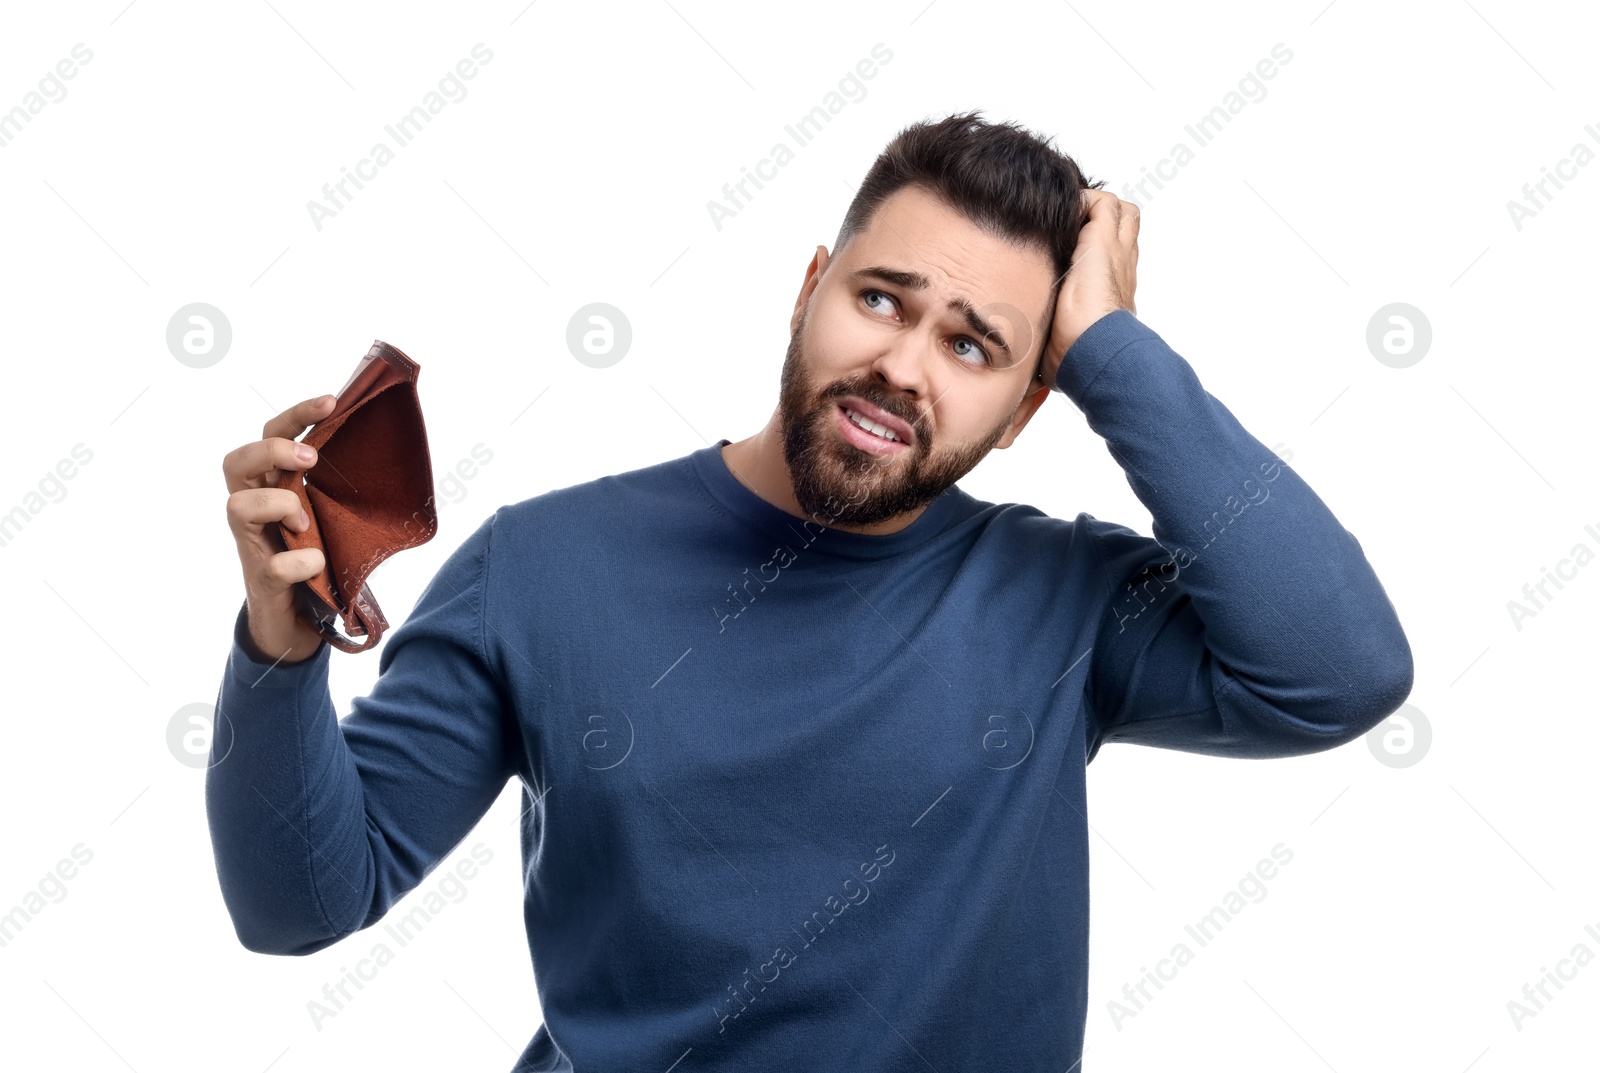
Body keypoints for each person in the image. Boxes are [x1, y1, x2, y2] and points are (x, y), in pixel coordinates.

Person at [209, 110, 1413, 1071]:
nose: (899, 363)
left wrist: (1111, 351)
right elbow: (302, 901)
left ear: (1026, 409)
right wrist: (279, 641)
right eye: (879, 298)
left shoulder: (1066, 599)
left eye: (973, 344)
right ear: (808, 289)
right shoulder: (540, 567)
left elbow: (1341, 671)